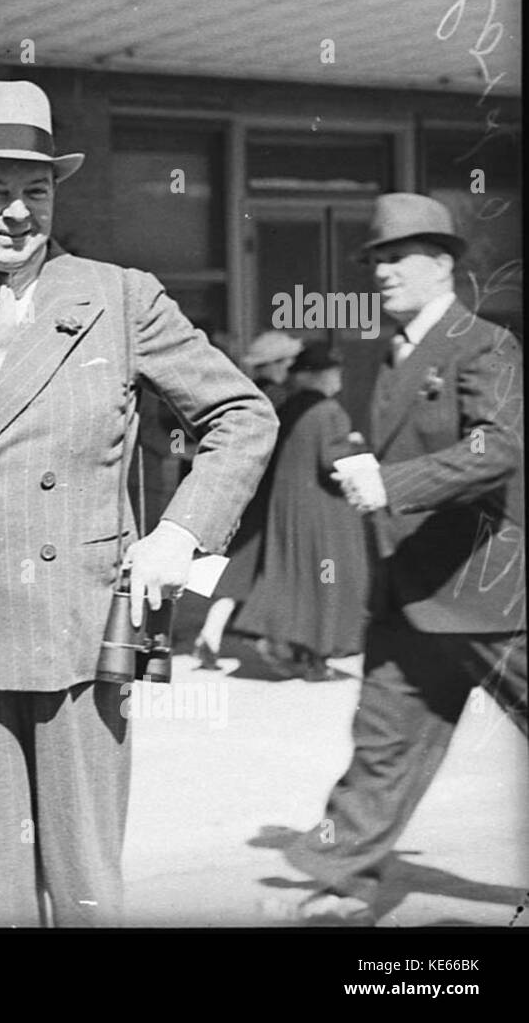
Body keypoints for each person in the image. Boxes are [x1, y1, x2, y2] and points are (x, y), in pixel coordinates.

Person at [0, 80, 279, 926]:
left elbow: (242, 415)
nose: (16, 213)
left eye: (36, 191)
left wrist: (181, 534)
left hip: (85, 635)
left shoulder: (118, 297)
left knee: (86, 887)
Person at [286, 192, 526, 924]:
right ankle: (341, 880)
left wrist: (390, 484)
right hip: (410, 590)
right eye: (376, 260)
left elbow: (500, 446)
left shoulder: (485, 343)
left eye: (397, 259)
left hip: (487, 589)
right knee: (382, 742)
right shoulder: (385, 353)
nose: (382, 273)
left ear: (443, 262)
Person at [232, 343, 369, 682]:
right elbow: (332, 460)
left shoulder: (290, 406)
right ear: (320, 375)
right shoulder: (329, 411)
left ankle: (287, 644)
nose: (338, 378)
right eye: (334, 371)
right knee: (329, 579)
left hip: (288, 510)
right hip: (324, 514)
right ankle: (318, 659)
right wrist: (357, 445)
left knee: (298, 580)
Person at [191, 331, 305, 669]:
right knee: (257, 565)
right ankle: (256, 639)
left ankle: (213, 634)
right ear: (278, 364)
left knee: (241, 566)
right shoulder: (278, 397)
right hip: (267, 492)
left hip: (248, 490)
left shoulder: (247, 392)